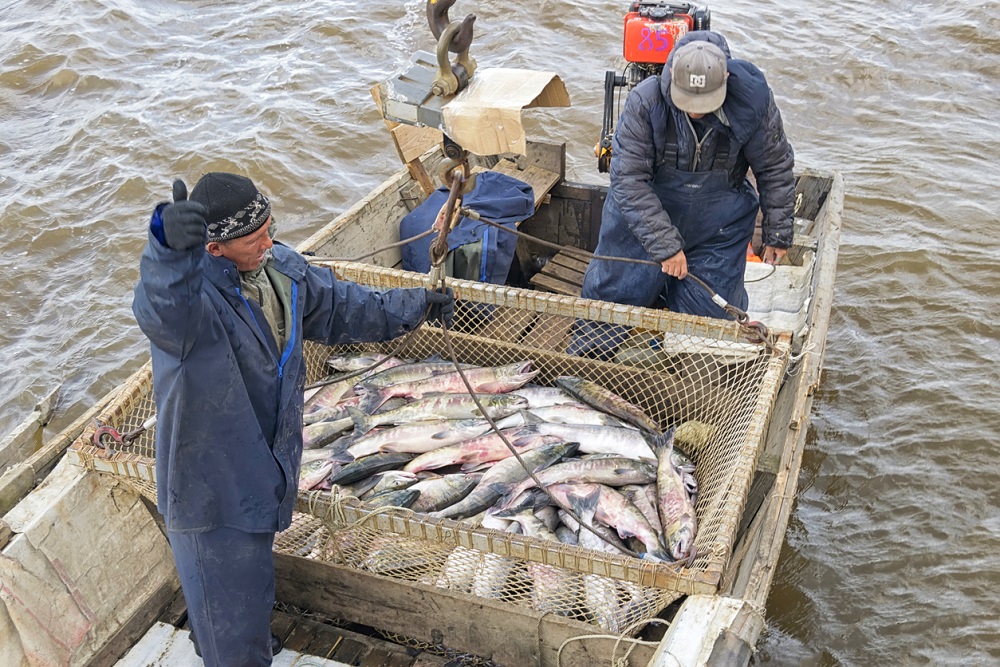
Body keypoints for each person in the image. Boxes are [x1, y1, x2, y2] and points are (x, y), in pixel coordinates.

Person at [131, 173, 454, 666]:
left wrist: (413, 306)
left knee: (249, 587)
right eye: (252, 238)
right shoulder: (192, 306)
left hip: (266, 470)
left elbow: (342, 306)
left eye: (269, 228)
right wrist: (165, 247)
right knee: (228, 616)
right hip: (210, 488)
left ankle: (235, 640)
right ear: (214, 248)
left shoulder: (279, 267)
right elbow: (158, 306)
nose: (268, 242)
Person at [571, 31, 795, 356]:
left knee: (708, 322)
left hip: (717, 224)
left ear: (727, 78)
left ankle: (685, 368)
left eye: (705, 104)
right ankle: (586, 362)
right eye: (688, 102)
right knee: (612, 297)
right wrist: (665, 245)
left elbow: (775, 166)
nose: (695, 112)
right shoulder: (645, 102)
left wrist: (778, 231)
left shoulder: (754, 102)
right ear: (672, 75)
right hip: (647, 217)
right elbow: (629, 181)